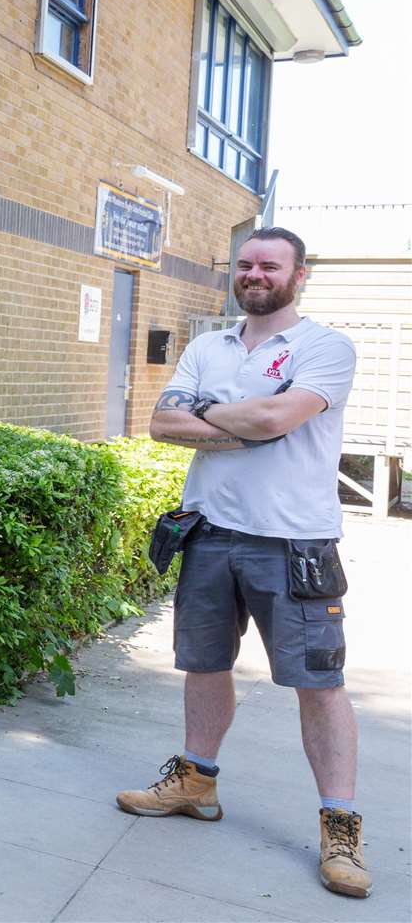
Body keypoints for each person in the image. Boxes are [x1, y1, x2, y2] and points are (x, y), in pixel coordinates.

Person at [121, 227, 369, 899]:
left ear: (299, 273)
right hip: (207, 532)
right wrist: (246, 418)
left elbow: (278, 420)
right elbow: (162, 424)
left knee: (318, 682)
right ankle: (196, 782)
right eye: (246, 264)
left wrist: (217, 414)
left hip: (294, 543)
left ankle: (340, 826)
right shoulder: (209, 345)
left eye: (270, 264)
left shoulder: (324, 347)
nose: (255, 273)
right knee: (203, 665)